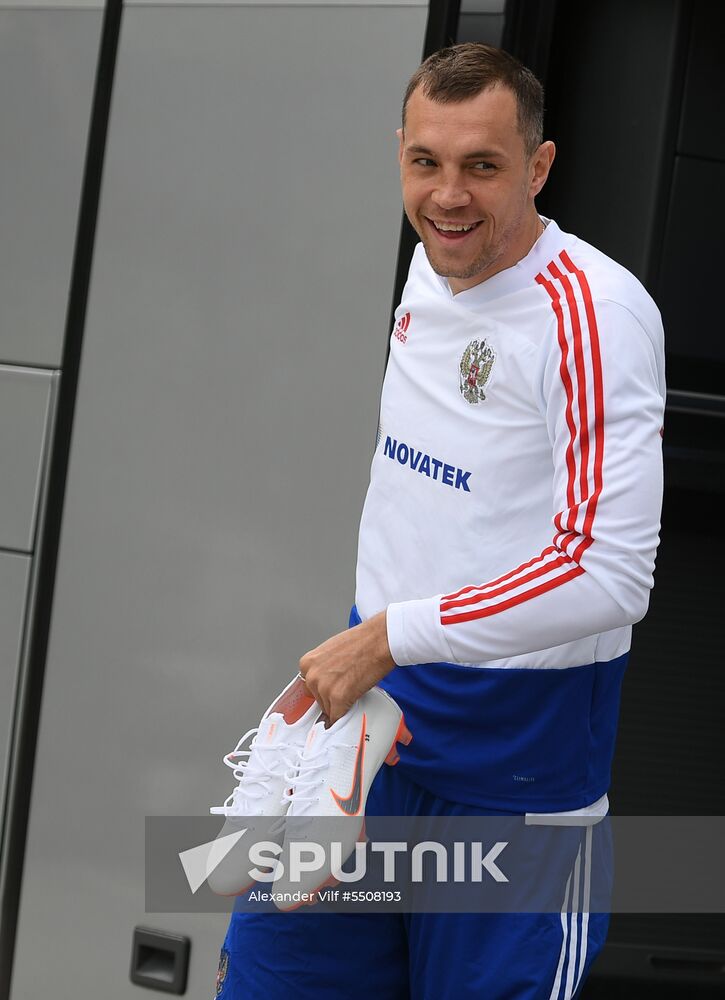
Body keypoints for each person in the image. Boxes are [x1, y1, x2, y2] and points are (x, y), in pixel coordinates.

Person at [215, 43, 665, 999]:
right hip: (367, 752)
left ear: (538, 167)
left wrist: (385, 637)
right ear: (401, 155)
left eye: (482, 166)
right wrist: (362, 661)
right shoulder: (427, 273)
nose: (448, 196)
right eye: (426, 162)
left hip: (513, 790)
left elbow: (607, 570)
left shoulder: (596, 315)